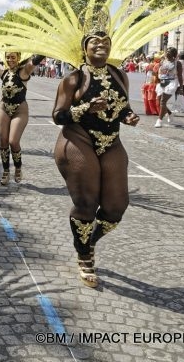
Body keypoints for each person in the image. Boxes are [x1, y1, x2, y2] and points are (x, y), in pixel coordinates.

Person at [52, 30, 140, 288]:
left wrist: (129, 117)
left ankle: (87, 241)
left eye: (106, 42)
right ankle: (84, 256)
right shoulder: (73, 79)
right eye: (95, 42)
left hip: (111, 142)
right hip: (78, 140)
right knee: (87, 204)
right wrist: (86, 108)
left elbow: (123, 108)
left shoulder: (119, 75)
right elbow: (58, 116)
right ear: (84, 48)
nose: (101, 45)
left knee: (115, 208)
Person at [0, 52, 44, 185]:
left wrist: (42, 50)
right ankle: (6, 172)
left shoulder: (24, 71)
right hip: (3, 108)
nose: (9, 60)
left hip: (20, 110)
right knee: (3, 141)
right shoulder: (4, 73)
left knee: (13, 141)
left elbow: (34, 62)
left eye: (13, 57)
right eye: (7, 57)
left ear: (18, 58)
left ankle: (18, 167)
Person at [155, 47, 182, 128]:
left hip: (172, 82)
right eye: (167, 51)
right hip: (163, 81)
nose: (167, 53)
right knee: (159, 101)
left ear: (173, 54)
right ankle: (170, 114)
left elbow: (180, 76)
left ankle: (159, 121)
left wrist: (181, 87)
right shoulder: (163, 61)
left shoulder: (178, 63)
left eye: (169, 52)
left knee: (163, 101)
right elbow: (158, 72)